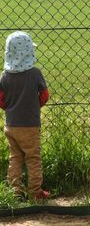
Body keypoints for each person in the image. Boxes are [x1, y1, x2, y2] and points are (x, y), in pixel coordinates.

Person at [0, 31, 50, 200]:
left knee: (15, 158)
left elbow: (1, 100)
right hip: (30, 125)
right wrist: (34, 106)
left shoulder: (5, 76)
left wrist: (11, 108)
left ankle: (15, 191)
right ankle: (35, 192)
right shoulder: (35, 73)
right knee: (33, 158)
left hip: (11, 125)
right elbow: (44, 96)